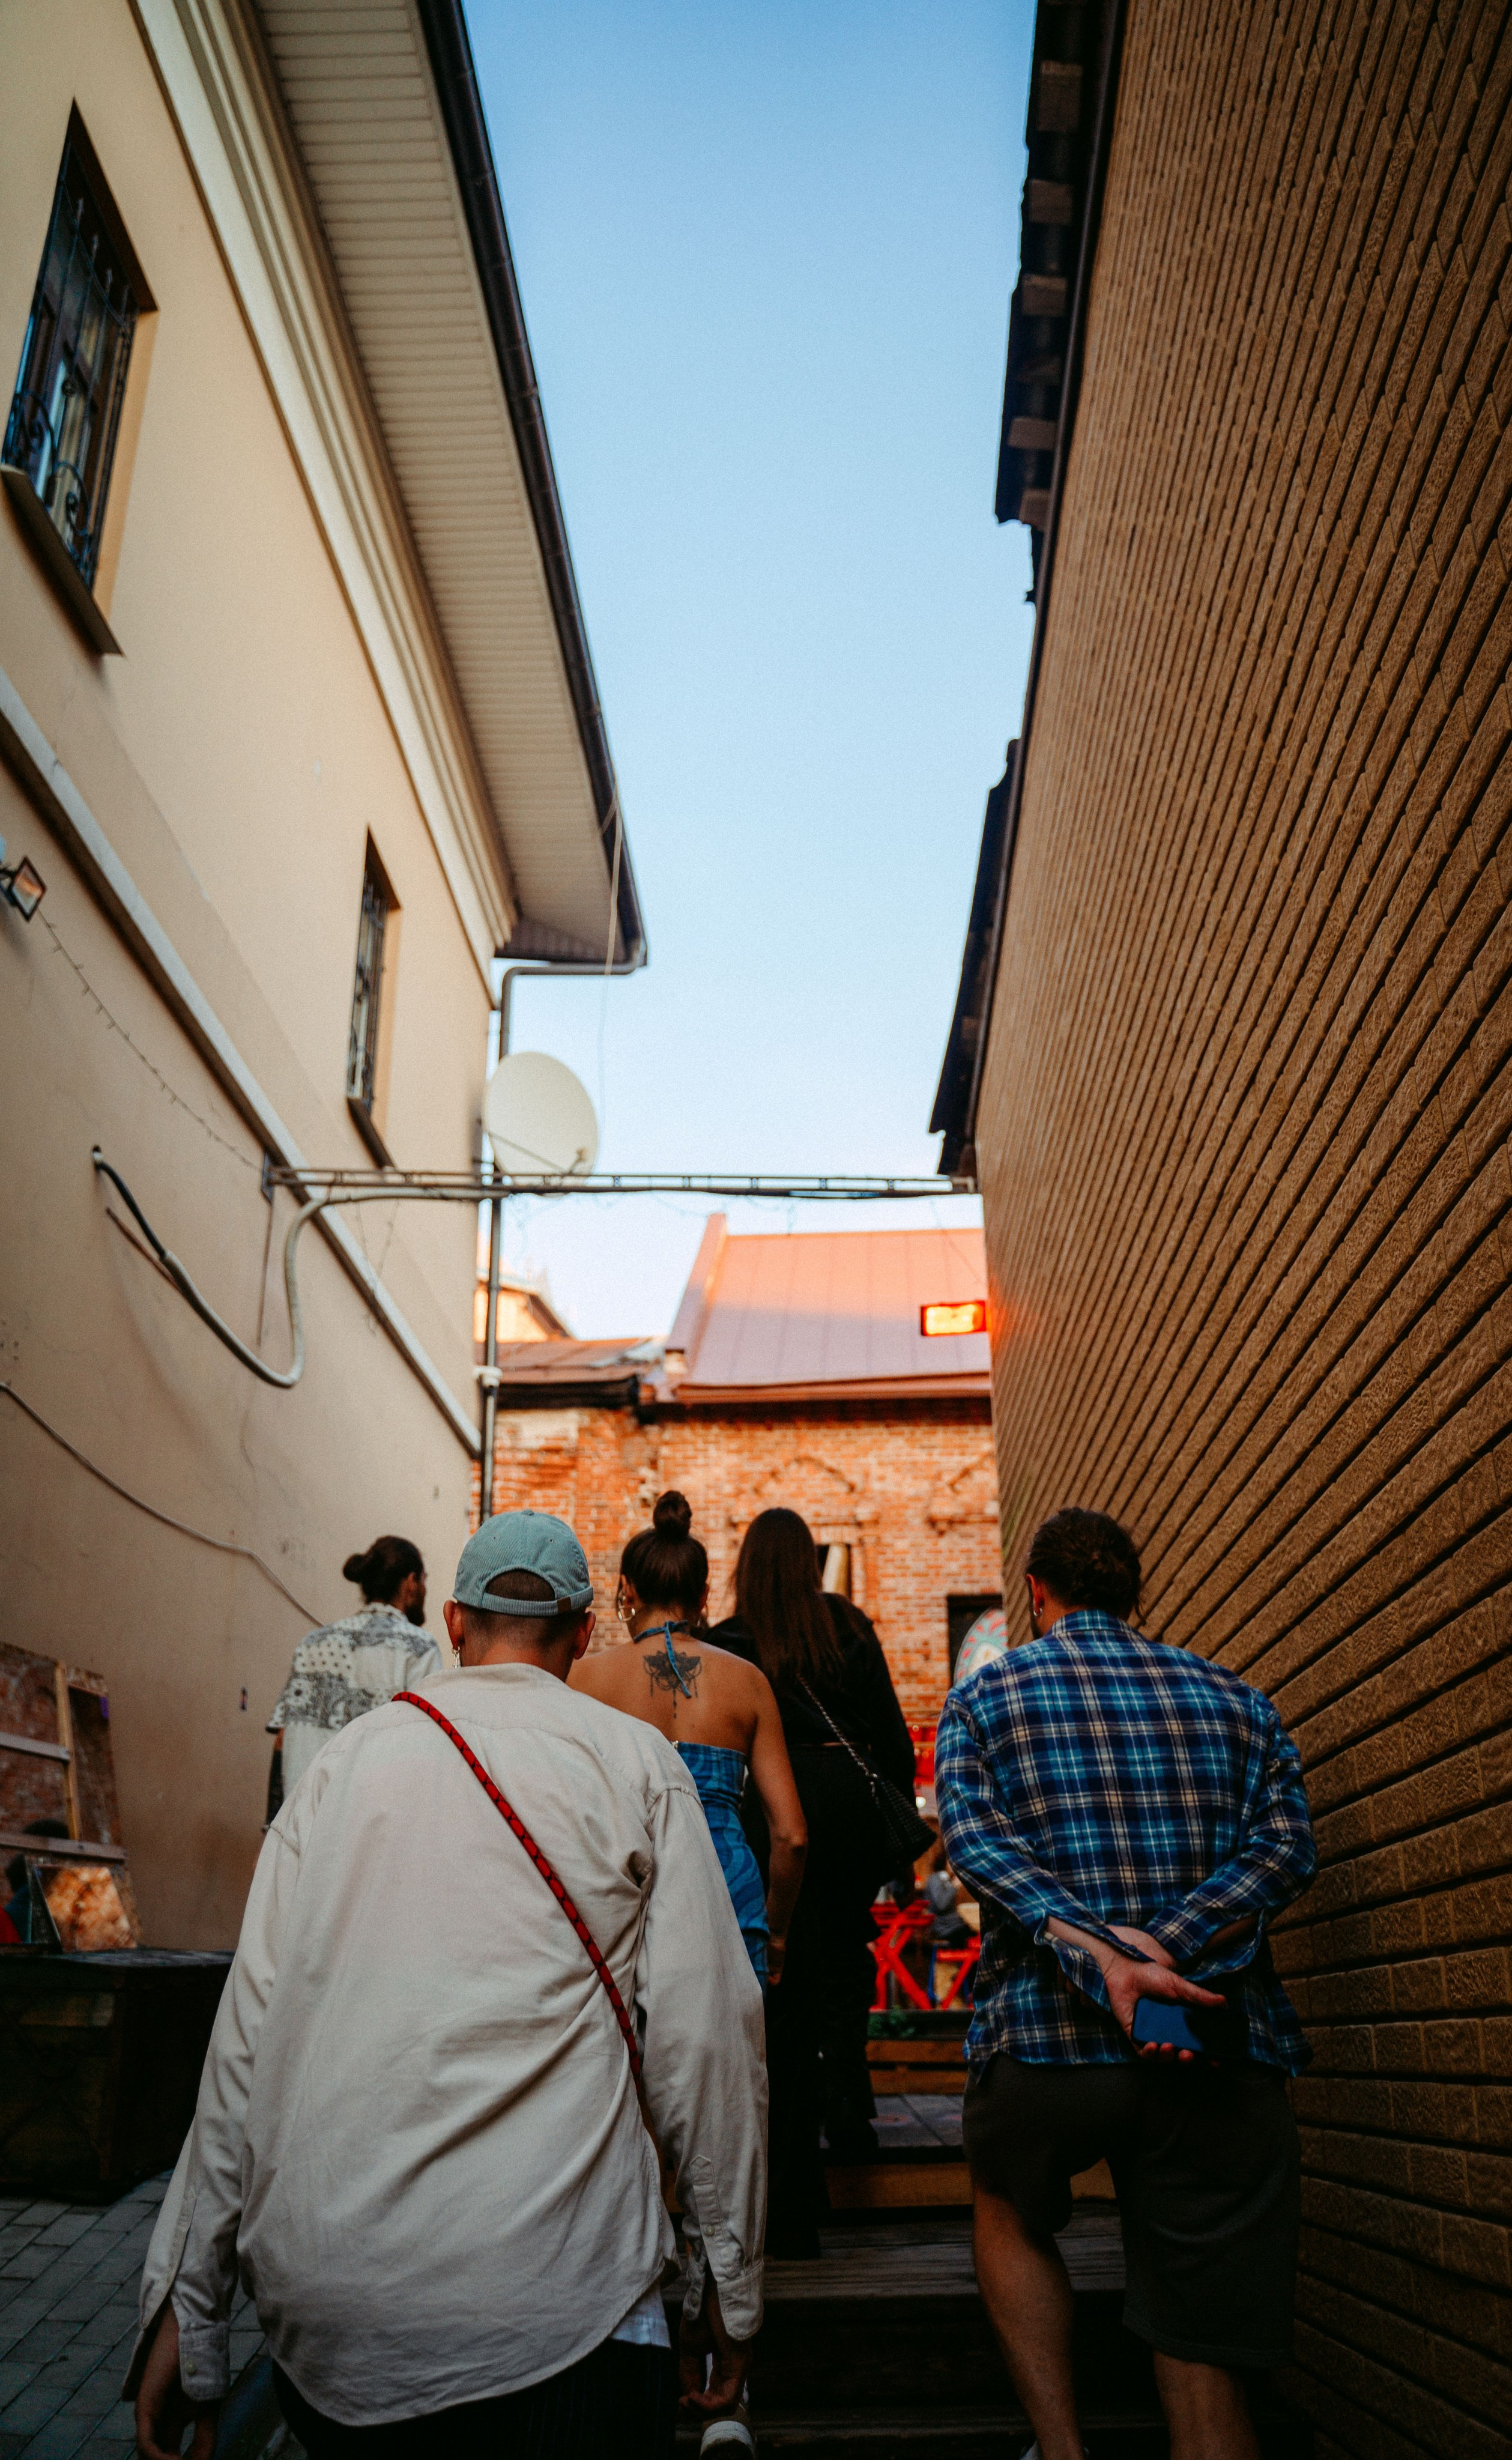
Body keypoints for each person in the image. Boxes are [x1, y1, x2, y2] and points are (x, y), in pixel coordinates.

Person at [129, 1508, 767, 2460]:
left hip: (338, 2326)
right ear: (583, 1632)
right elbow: (706, 2044)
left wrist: (189, 2306)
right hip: (566, 2311)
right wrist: (731, 2282)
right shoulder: (639, 1766)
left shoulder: (341, 1768)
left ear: (456, 1626)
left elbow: (245, 2048)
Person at [935, 1507, 1317, 2460]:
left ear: (1035, 1595)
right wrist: (1169, 1945)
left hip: (1045, 2047)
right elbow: (1285, 1849)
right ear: (1134, 1592)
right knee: (1202, 2338)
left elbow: (977, 1849)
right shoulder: (1238, 1699)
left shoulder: (986, 1699)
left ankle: (1062, 2451)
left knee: (1008, 2203)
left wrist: (1104, 1952)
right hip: (1217, 2046)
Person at [713, 1507, 915, 2257]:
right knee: (846, 1954)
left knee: (782, 1967)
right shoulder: (849, 1626)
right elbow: (890, 1739)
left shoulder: (729, 1641)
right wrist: (896, 1848)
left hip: (767, 1810)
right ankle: (851, 2108)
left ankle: (784, 2134)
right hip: (847, 1806)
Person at [571, 1491, 806, 1985]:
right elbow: (791, 1837)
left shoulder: (583, 1680)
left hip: (624, 1900)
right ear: (703, 1597)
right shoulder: (749, 1682)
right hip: (730, 1898)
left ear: (626, 1591)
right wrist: (778, 1936)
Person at [265, 1535, 439, 1808]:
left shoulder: (313, 1643)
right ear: (411, 1582)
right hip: (367, 1832)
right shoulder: (419, 1649)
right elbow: (425, 1746)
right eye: (424, 1579)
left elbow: (283, 1740)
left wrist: (271, 1827)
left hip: (300, 1829)